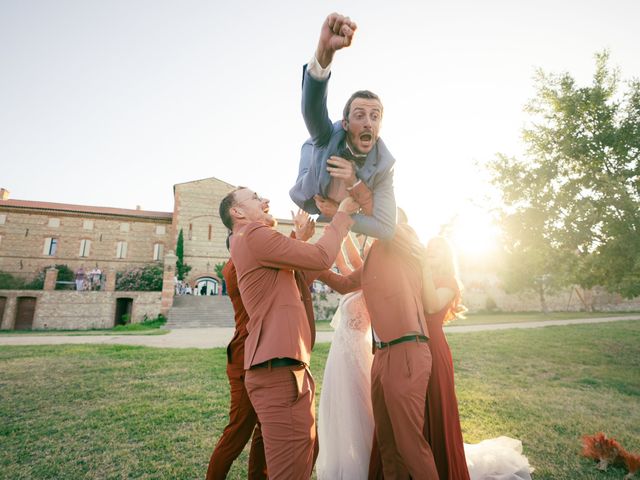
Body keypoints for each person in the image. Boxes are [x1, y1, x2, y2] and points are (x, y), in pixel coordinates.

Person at [219, 186, 358, 479]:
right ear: (238, 212)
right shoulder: (253, 234)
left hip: (286, 369)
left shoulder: (256, 246)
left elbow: (313, 273)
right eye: (256, 198)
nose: (266, 200)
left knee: (303, 459)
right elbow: (321, 256)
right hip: (279, 371)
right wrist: (342, 215)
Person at [318, 222, 439, 479]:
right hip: (381, 354)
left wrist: (346, 212)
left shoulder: (401, 239)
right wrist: (309, 264)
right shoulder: (374, 257)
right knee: (386, 442)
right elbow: (343, 283)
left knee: (410, 445)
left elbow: (387, 222)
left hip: (407, 350)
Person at [421, 237, 532, 480]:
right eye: (428, 249)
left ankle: (440, 463)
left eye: (436, 250)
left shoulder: (449, 282)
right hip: (414, 347)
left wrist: (422, 269)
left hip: (434, 349)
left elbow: (430, 306)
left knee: (436, 404)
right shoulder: (422, 277)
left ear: (446, 256)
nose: (430, 253)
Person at [290, 12, 397, 240]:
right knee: (313, 145)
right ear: (346, 123)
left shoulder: (385, 165)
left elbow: (386, 228)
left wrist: (340, 212)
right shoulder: (328, 136)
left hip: (342, 204)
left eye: (375, 116)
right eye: (360, 115)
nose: (368, 122)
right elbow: (312, 109)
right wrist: (324, 51)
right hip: (314, 160)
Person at [316, 233, 375, 480]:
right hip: (340, 353)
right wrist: (338, 232)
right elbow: (342, 263)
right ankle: (345, 459)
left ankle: (367, 461)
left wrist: (345, 230)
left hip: (355, 352)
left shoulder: (371, 277)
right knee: (340, 406)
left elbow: (350, 261)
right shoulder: (357, 279)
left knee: (359, 407)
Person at [206, 256, 267, 480]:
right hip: (244, 359)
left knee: (264, 429)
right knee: (238, 432)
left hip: (260, 356)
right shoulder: (237, 265)